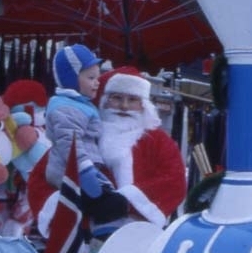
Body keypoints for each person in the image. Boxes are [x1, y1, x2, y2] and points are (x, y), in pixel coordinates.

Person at [28, 66, 186, 238]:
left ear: (143, 105)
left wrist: (127, 201)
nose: (124, 106)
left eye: (132, 99)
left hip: (139, 236)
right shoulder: (82, 134)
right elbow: (40, 181)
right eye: (117, 98)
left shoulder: (158, 141)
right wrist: (74, 202)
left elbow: (174, 180)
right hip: (82, 236)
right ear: (103, 101)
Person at [44, 44, 113, 202]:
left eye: (97, 77)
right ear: (72, 79)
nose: (97, 83)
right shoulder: (67, 107)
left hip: (79, 170)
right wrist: (85, 171)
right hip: (70, 172)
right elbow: (70, 142)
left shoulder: (80, 104)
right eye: (91, 78)